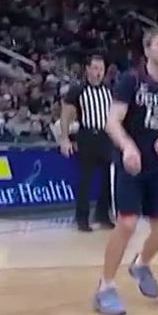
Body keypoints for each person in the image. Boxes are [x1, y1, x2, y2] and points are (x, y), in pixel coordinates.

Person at [93, 26, 158, 315]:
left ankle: (141, 264)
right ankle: (105, 288)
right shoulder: (131, 80)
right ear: (147, 50)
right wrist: (127, 147)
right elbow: (112, 122)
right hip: (131, 163)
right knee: (127, 223)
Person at [60, 55, 116, 232]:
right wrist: (64, 138)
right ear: (87, 69)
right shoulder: (78, 89)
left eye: (101, 69)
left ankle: (103, 215)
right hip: (87, 135)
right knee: (85, 179)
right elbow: (66, 114)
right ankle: (82, 218)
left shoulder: (110, 89)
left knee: (108, 179)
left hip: (107, 137)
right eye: (95, 68)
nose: (99, 72)